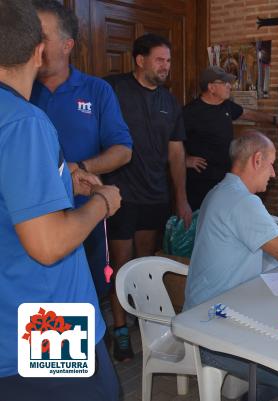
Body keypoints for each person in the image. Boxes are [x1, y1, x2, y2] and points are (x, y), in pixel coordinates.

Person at [0, 1, 121, 399]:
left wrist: (62, 181)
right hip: (45, 323)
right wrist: (102, 203)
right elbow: (48, 244)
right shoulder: (23, 120)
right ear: (39, 50)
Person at [184, 131, 278, 401]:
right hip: (213, 332)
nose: (273, 174)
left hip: (216, 315)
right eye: (272, 164)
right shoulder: (242, 201)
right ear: (257, 159)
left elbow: (240, 235)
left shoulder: (222, 191)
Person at [30, 0, 132, 297]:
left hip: (83, 216)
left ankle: (96, 341)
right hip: (34, 221)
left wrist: (81, 168)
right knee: (43, 307)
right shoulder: (18, 92)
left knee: (87, 297)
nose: (33, 44)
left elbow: (123, 149)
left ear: (67, 45)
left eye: (42, 37)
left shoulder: (96, 90)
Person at [104, 33, 192, 361]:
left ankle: (145, 321)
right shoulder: (112, 89)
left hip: (155, 196)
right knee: (120, 264)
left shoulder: (169, 102)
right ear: (140, 60)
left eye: (168, 61)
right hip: (120, 196)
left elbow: (176, 152)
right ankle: (120, 328)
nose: (166, 66)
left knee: (144, 264)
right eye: (159, 59)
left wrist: (180, 198)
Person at [183, 66, 278, 211]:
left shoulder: (226, 106)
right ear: (211, 87)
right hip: (201, 181)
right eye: (224, 82)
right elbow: (173, 141)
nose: (229, 86)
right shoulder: (190, 112)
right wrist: (185, 160)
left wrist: (275, 119)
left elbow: (247, 114)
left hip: (225, 177)